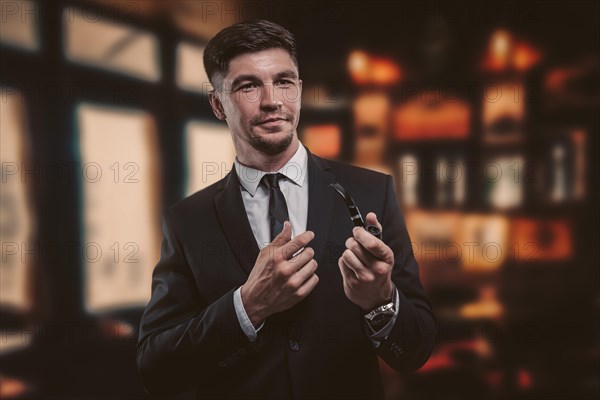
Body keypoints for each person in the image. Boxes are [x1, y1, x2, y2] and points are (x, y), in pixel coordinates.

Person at [137, 19, 436, 399]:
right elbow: (156, 370)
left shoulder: (372, 191)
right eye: (248, 86)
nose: (272, 100)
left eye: (284, 81)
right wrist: (247, 306)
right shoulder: (186, 221)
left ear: (299, 89)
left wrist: (381, 299)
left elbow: (417, 350)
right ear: (217, 104)